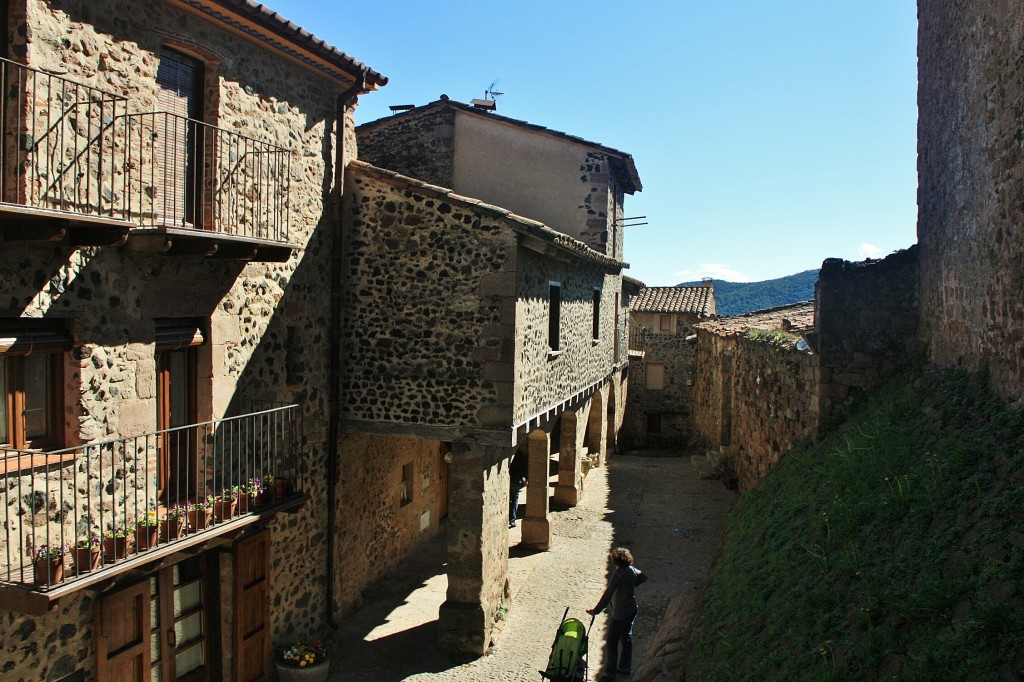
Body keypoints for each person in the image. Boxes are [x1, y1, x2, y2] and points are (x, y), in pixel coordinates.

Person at [587, 547, 648, 680]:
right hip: (631, 609)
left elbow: (608, 594)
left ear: (616, 561)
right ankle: (625, 668)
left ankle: (610, 673)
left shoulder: (618, 574)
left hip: (620, 613)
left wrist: (596, 610)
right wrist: (632, 585)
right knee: (626, 638)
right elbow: (643, 577)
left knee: (611, 641)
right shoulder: (632, 570)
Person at [509, 450, 527, 528]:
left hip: (509, 478)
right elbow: (524, 468)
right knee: (514, 499)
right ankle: (512, 519)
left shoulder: (509, 454)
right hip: (516, 480)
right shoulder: (520, 455)